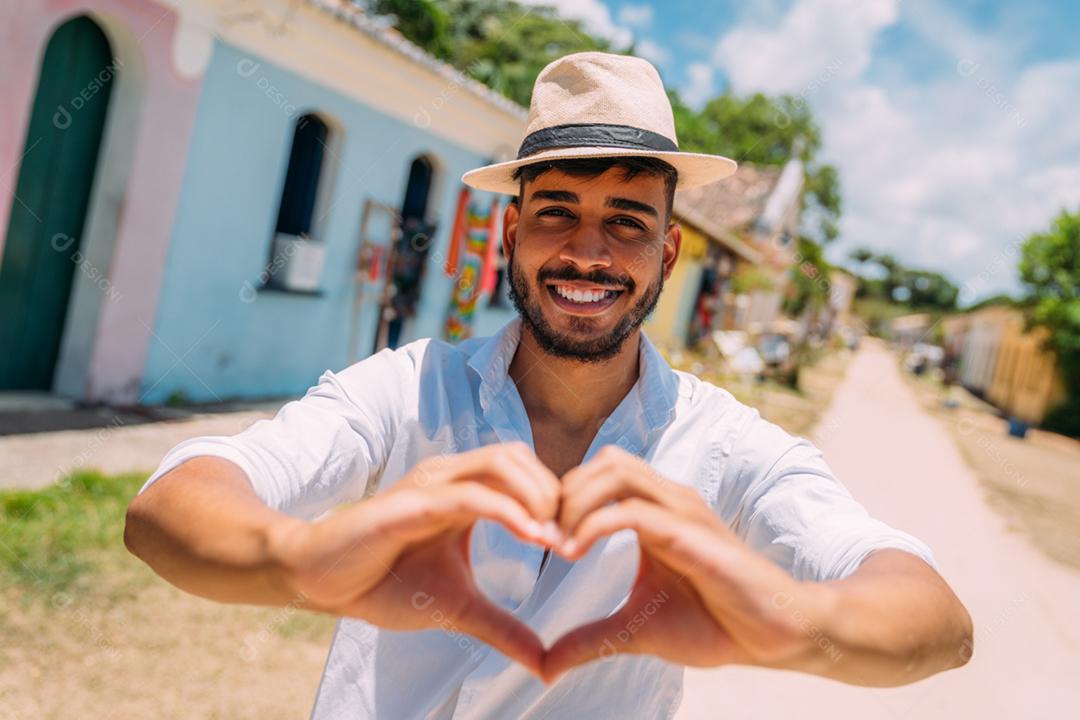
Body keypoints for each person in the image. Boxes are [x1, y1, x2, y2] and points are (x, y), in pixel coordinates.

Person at [124, 52, 972, 719]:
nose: (588, 254)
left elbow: (934, 624)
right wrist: (309, 561)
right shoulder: (409, 387)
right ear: (511, 233)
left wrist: (774, 617)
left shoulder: (725, 445)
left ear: (667, 255)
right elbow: (168, 508)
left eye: (628, 223)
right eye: (557, 210)